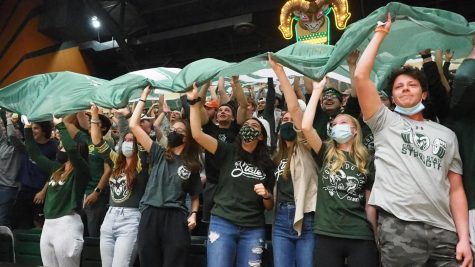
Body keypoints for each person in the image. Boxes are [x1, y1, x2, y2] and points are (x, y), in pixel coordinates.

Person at [353, 13, 472, 266]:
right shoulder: (384, 121)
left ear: (424, 94)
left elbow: (456, 189)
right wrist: (380, 35)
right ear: (392, 99)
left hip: (445, 232)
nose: (405, 88)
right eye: (398, 87)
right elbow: (361, 79)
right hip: (399, 229)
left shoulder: (446, 134)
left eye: (412, 85)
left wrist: (464, 238)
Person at [188, 82, 275, 267]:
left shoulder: (267, 164)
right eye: (247, 124)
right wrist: (194, 103)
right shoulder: (227, 151)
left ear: (261, 136)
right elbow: (196, 134)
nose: (248, 127)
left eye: (254, 126)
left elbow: (269, 205)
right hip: (223, 222)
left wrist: (266, 195)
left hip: (253, 228)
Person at [302, 77, 378, 267]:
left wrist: (376, 234)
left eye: (343, 122)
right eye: (334, 125)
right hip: (327, 232)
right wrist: (318, 90)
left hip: (360, 233)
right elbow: (305, 127)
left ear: (354, 130)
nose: (337, 126)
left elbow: (370, 204)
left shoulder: (367, 159)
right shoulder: (326, 151)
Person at [131, 86, 202, 267]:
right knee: (148, 260)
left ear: (187, 138)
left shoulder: (191, 164)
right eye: (173, 128)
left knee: (174, 262)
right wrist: (143, 97)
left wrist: (193, 214)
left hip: (176, 216)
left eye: (179, 131)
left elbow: (195, 196)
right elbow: (133, 125)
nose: (174, 132)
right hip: (150, 213)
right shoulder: (158, 152)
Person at [269, 55, 318, 267]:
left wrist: (280, 74)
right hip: (280, 218)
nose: (288, 123)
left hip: (306, 216)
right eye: (284, 120)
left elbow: (297, 112)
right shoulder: (276, 154)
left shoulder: (308, 147)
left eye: (292, 120)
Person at [24, 116, 90, 267]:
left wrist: (60, 125)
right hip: (49, 224)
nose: (60, 147)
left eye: (62, 146)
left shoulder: (81, 171)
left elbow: (72, 149)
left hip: (67, 224)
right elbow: (35, 154)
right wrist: (27, 128)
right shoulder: (56, 169)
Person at [90, 104, 148, 267]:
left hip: (131, 219)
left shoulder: (141, 164)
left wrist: (128, 116)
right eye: (126, 140)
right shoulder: (116, 161)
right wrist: (95, 116)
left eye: (132, 140)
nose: (128, 142)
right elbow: (97, 141)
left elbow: (141, 137)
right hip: (110, 217)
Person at [63, 112, 112, 237]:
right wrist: (79, 106)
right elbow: (67, 122)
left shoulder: (106, 144)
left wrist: (97, 192)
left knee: (93, 231)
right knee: (78, 232)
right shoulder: (85, 139)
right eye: (91, 122)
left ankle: (96, 256)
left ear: (104, 128)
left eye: (96, 123)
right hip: (81, 193)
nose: (91, 124)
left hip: (97, 195)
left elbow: (108, 170)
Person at [13, 120, 58, 229]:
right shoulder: (29, 143)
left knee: (39, 224)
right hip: (24, 189)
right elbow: (12, 136)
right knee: (21, 222)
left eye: (36, 128)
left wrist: (43, 191)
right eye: (31, 128)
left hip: (40, 191)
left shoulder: (54, 147)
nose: (32, 131)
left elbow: (56, 172)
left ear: (44, 130)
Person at [0, 110, 24, 227]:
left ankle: (5, 243)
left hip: (9, 187)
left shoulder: (20, 148)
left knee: (2, 220)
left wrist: (9, 118)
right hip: (2, 185)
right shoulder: (3, 144)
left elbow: (12, 135)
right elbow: (4, 132)